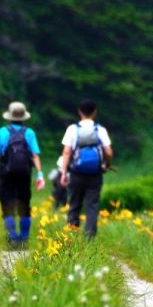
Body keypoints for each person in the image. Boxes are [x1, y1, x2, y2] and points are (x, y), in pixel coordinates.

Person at [0, 101, 44, 246]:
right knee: (24, 204)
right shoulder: (30, 133)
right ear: (24, 117)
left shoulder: (2, 132)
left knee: (7, 204)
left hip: (6, 174)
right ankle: (24, 238)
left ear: (9, 116)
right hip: (24, 174)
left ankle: (12, 237)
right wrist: (40, 175)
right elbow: (35, 156)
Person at [59, 100, 113, 237]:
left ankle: (71, 235)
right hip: (95, 174)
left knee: (74, 204)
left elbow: (66, 152)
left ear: (79, 111)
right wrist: (106, 165)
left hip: (76, 173)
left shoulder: (72, 129)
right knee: (92, 206)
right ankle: (89, 237)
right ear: (95, 112)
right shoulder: (100, 129)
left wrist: (64, 172)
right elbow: (108, 152)